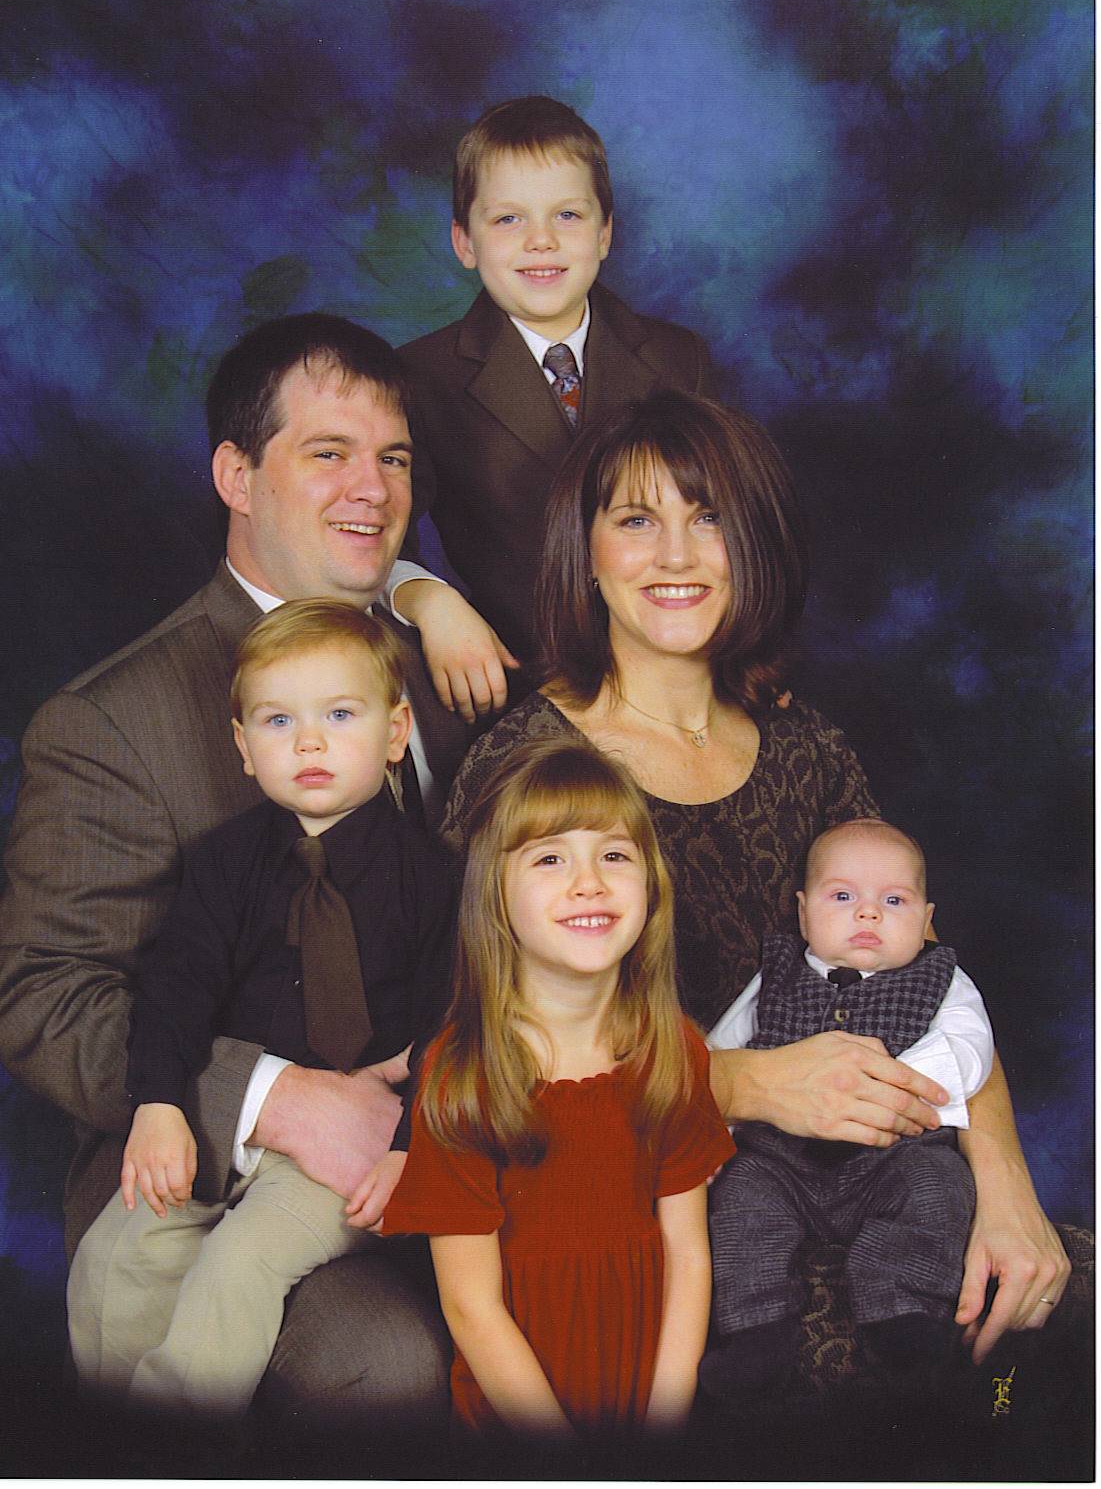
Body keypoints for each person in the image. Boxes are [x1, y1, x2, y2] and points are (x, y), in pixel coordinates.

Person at [441, 388, 1068, 1365]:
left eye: (708, 518)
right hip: (651, 1212)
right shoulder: (527, 766)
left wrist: (1006, 1181)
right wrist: (743, 1081)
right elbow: (483, 1049)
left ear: (753, 544)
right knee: (835, 1383)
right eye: (636, 520)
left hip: (874, 1183)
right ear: (586, 552)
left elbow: (928, 969)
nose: (677, 555)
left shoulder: (805, 745)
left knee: (1043, 1319)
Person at [0, 314, 481, 1430]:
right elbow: (46, 997)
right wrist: (281, 1101)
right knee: (381, 1361)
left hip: (429, 1132)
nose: (372, 488)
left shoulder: (443, 669)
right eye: (328, 452)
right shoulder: (114, 719)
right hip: (204, 1166)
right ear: (236, 476)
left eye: (394, 457)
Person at [67, 600, 457, 1418]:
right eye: (279, 720)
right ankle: (113, 1442)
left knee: (236, 1268)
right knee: (114, 1257)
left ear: (395, 731)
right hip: (237, 1130)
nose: (308, 742)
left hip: (355, 1155)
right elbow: (174, 989)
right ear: (244, 746)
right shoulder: (223, 863)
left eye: (339, 715)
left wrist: (408, 1148)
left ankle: (182, 1454)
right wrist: (160, 1103)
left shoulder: (433, 879)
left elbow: (453, 1025)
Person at [383, 738, 734, 1438]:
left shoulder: (671, 1051)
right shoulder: (463, 1073)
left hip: (647, 1402)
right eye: (550, 858)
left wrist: (664, 1422)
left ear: (651, 884)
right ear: (496, 895)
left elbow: (688, 1254)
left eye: (614, 855)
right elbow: (471, 1306)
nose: (589, 882)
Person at [399, 94, 715, 692]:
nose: (540, 240)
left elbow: (735, 528)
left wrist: (746, 651)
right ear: (465, 242)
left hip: (680, 672)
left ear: (605, 233)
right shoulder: (419, 378)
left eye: (567, 215)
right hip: (525, 683)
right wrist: (428, 599)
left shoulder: (679, 359)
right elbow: (384, 541)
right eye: (508, 219)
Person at [702, 818, 993, 1396]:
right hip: (780, 1163)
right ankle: (755, 1331)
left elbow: (970, 1049)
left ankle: (905, 1313)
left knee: (939, 1185)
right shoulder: (776, 975)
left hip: (893, 1157)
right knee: (739, 1198)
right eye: (842, 897)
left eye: (894, 901)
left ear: (926, 920)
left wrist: (892, 1082)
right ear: (804, 913)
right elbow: (720, 1055)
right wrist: (716, 1133)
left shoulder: (942, 978)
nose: (868, 913)